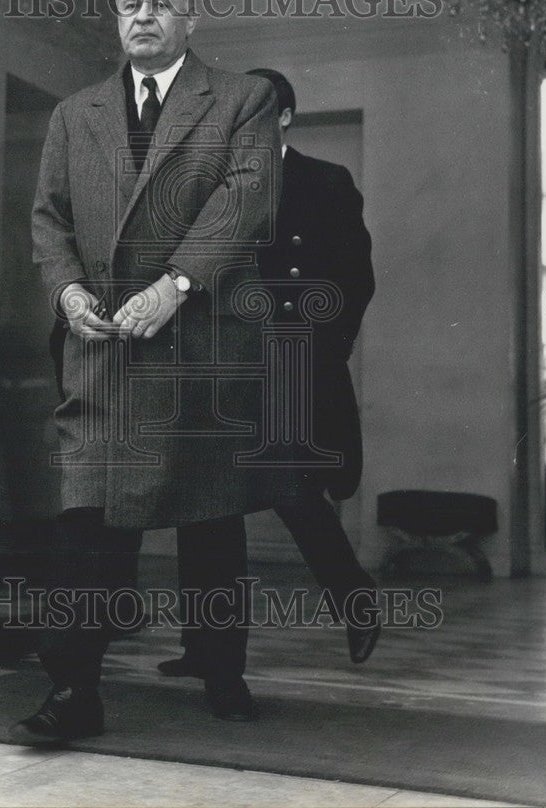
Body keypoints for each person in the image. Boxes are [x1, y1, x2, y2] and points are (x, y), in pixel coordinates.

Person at [14, 0, 289, 744]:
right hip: (102, 348)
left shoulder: (242, 99)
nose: (143, 14)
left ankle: (220, 665)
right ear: (115, 18)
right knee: (87, 525)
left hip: (197, 344)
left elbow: (243, 202)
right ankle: (73, 688)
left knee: (209, 518)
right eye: (129, 3)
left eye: (161, 2)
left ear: (190, 18)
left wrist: (172, 287)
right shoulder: (76, 112)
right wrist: (69, 298)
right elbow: (49, 221)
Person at [158, 68, 381, 683]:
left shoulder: (324, 182)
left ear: (284, 117)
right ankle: (209, 651)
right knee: (204, 508)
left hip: (287, 364)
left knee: (287, 485)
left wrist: (317, 350)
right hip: (214, 366)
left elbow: (354, 279)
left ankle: (356, 601)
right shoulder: (205, 184)